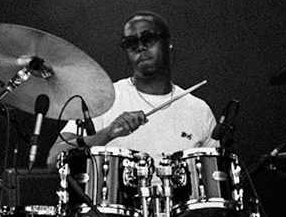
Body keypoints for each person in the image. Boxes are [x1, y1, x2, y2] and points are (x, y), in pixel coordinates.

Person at [48, 10, 218, 163]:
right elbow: (53, 159)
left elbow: (217, 179)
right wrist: (107, 133)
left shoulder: (198, 110)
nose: (140, 47)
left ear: (169, 43)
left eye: (148, 39)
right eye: (131, 43)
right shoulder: (103, 99)